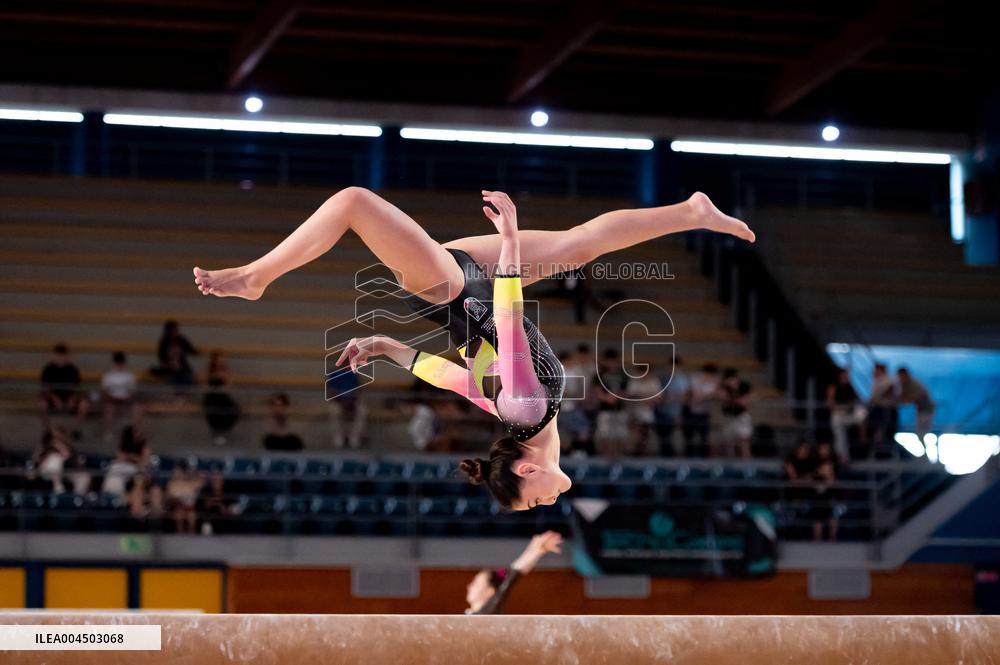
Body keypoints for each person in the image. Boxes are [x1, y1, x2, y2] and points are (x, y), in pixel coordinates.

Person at [194, 187, 754, 510]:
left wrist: (510, 240)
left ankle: (256, 277)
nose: (547, 504)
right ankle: (691, 213)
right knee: (578, 247)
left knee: (354, 202)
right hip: (466, 284)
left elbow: (508, 321)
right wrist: (388, 346)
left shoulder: (526, 411)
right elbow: (453, 378)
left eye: (534, 501)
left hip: (452, 288)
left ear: (528, 471)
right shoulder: (517, 417)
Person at [465, 531, 563, 614]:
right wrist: (533, 549)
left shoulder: (487, 613)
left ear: (489, 592)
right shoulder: (472, 614)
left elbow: (512, 576)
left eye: (476, 583)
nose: (469, 587)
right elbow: (512, 572)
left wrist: (536, 551)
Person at [39, 343, 89, 432]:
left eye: (63, 355)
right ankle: (46, 429)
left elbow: (78, 387)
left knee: (84, 404)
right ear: (55, 355)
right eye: (59, 355)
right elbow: (45, 388)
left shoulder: (72, 369)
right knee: (42, 404)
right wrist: (54, 398)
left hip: (69, 397)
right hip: (52, 397)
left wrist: (73, 398)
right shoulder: (48, 369)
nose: (61, 357)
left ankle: (77, 429)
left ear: (67, 355)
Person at [826, 368, 866, 462]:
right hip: (838, 415)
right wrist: (841, 408)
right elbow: (830, 403)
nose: (846, 377)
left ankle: (863, 439)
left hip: (848, 414)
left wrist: (850, 407)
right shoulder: (833, 387)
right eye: (844, 375)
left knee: (861, 413)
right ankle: (842, 457)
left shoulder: (850, 387)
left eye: (847, 376)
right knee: (840, 437)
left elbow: (858, 399)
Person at [202, 350, 241, 445]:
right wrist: (214, 379)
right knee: (213, 410)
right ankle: (216, 431)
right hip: (211, 396)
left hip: (223, 396)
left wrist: (223, 377)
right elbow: (205, 387)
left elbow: (229, 386)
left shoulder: (226, 371)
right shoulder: (209, 371)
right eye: (218, 359)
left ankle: (223, 430)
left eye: (222, 359)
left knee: (234, 411)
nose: (221, 361)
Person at [654, 355, 690, 457]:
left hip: (675, 411)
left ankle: (671, 455)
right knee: (663, 435)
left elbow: (685, 397)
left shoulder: (683, 379)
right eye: (671, 366)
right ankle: (665, 454)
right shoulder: (664, 378)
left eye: (676, 366)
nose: (673, 369)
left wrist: (673, 399)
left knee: (671, 434)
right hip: (662, 411)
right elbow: (659, 395)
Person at [152, 320, 198, 395]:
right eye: (174, 330)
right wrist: (167, 364)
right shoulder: (163, 342)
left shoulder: (181, 340)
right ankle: (180, 395)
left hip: (182, 367)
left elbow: (191, 350)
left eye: (176, 329)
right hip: (170, 368)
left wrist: (196, 352)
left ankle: (182, 395)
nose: (176, 332)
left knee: (187, 377)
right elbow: (161, 357)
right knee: (174, 377)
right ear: (168, 331)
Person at [101, 351, 139, 441]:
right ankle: (109, 432)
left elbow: (133, 392)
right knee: (109, 408)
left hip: (126, 400)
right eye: (118, 363)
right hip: (112, 400)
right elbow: (104, 392)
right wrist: (113, 399)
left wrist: (127, 398)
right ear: (114, 363)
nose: (119, 365)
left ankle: (133, 433)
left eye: (121, 363)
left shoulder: (129, 375)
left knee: (137, 409)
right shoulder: (108, 376)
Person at [684, 364, 719, 457]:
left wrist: (706, 395)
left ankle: (704, 456)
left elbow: (715, 394)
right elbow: (697, 396)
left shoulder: (714, 381)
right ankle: (689, 456)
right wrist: (709, 395)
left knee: (704, 436)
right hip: (691, 411)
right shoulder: (695, 378)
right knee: (690, 435)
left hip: (705, 412)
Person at [718, 367, 752, 458]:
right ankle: (730, 463)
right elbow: (721, 397)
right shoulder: (723, 387)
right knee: (728, 443)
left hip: (741, 416)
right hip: (728, 417)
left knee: (744, 441)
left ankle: (746, 462)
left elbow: (744, 403)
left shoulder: (744, 386)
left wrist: (731, 396)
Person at [896, 367, 935, 443]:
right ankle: (925, 448)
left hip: (926, 409)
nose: (900, 378)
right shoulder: (907, 384)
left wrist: (907, 399)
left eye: (900, 375)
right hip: (922, 410)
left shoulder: (913, 383)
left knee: (922, 433)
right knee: (921, 433)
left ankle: (925, 448)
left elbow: (921, 394)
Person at [166, 461, 205, 534]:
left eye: (178, 471)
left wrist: (186, 486)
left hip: (190, 509)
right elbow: (172, 494)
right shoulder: (171, 484)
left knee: (191, 515)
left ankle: (191, 535)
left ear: (183, 472)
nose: (176, 473)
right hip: (176, 508)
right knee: (179, 514)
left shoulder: (191, 482)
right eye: (175, 471)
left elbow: (201, 482)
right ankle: (179, 535)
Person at [867, 363, 897, 451]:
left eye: (877, 370)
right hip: (877, 409)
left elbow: (891, 389)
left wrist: (880, 398)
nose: (875, 372)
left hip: (885, 409)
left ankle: (879, 446)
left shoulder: (888, 380)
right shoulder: (876, 381)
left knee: (882, 429)